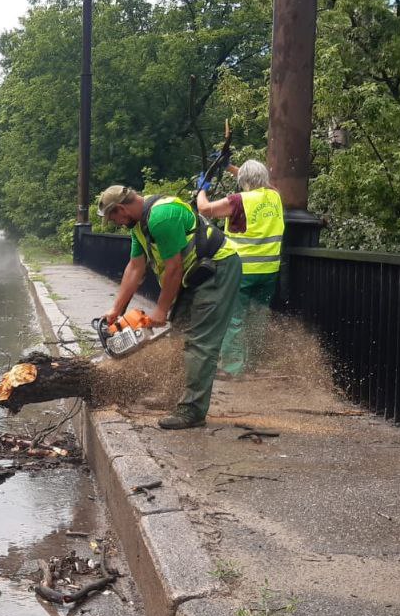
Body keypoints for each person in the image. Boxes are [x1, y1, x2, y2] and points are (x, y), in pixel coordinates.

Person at [97, 184, 242, 430]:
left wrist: (161, 311)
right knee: (179, 335)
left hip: (217, 270)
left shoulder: (161, 217)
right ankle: (172, 394)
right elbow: (135, 267)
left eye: (115, 218)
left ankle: (192, 410)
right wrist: (116, 311)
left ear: (121, 208)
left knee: (199, 341)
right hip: (193, 276)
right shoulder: (139, 227)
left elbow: (173, 267)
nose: (117, 223)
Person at [196, 159, 284, 376]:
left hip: (242, 270)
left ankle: (233, 368)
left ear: (243, 181)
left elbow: (205, 209)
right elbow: (259, 182)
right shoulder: (275, 196)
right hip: (269, 270)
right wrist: (229, 167)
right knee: (258, 317)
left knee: (233, 318)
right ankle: (253, 364)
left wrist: (201, 189)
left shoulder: (238, 201)